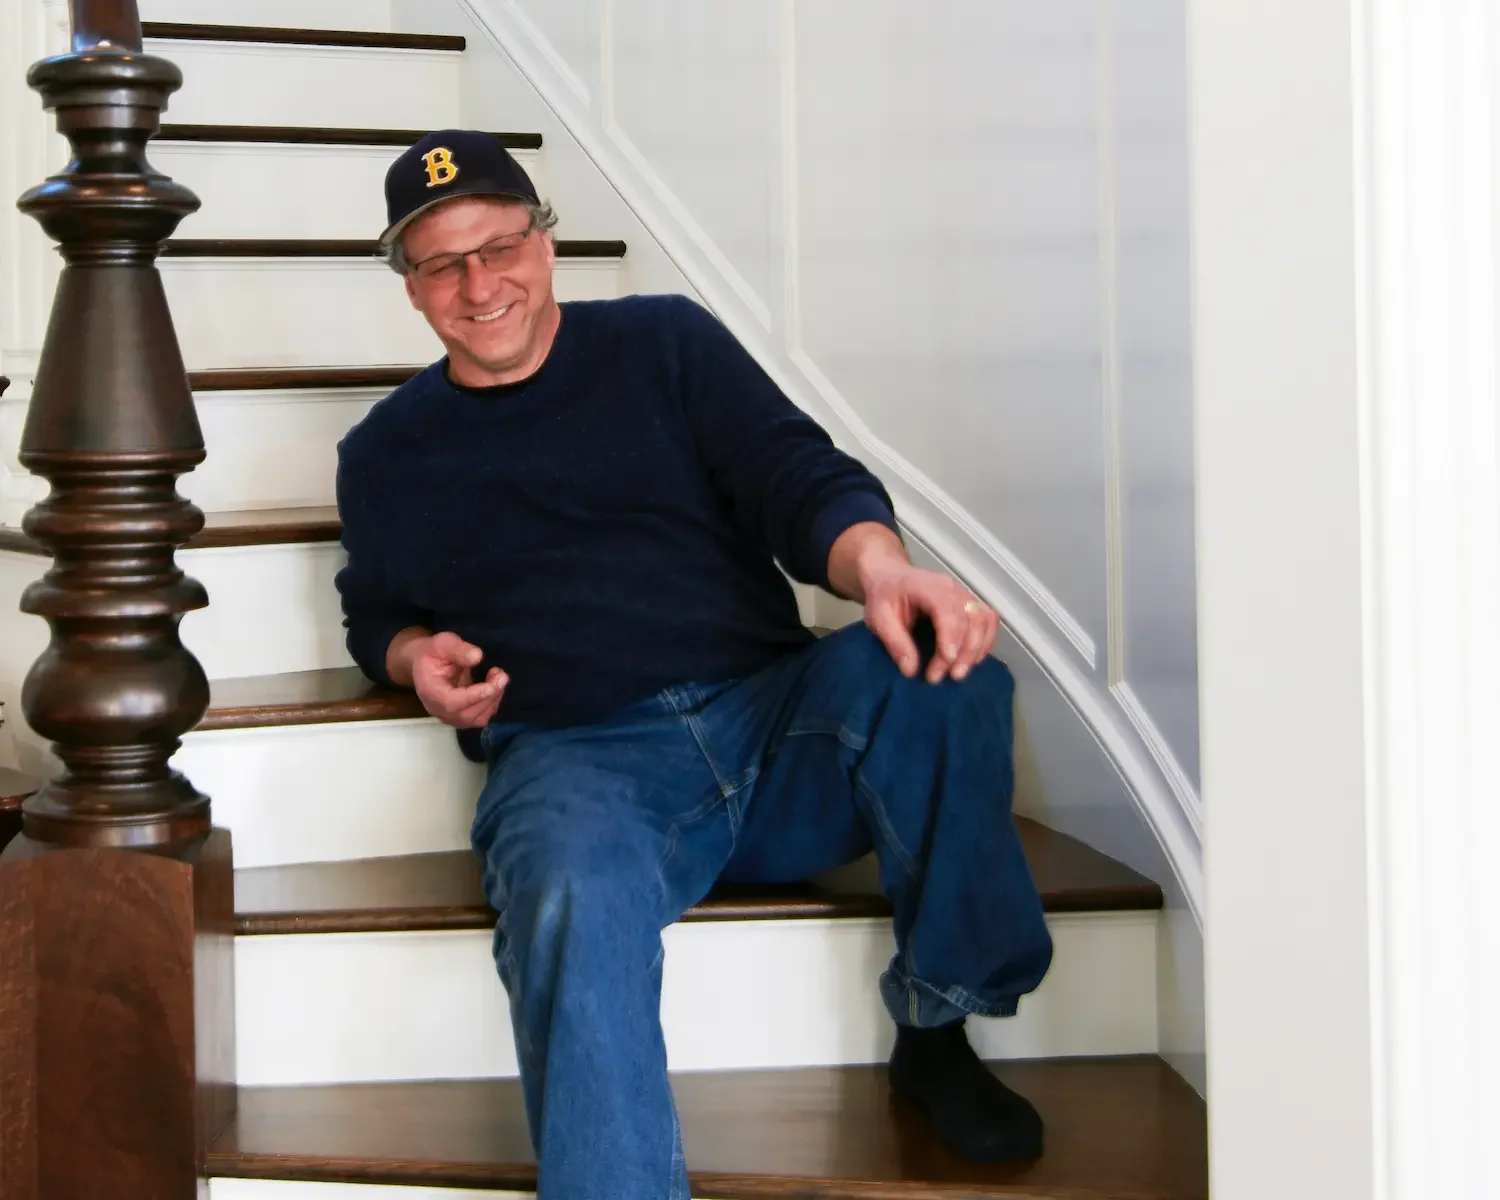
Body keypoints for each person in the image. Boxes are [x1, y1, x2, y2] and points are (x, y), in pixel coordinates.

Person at [334, 129, 1054, 1200]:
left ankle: (939, 1024)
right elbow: (375, 613)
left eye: (500, 244)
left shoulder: (664, 344)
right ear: (411, 288)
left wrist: (886, 572)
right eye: (442, 262)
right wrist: (411, 657)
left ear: (546, 241)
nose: (480, 283)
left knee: (948, 675)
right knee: (568, 884)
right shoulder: (387, 451)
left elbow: (793, 476)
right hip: (583, 767)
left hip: (776, 722)